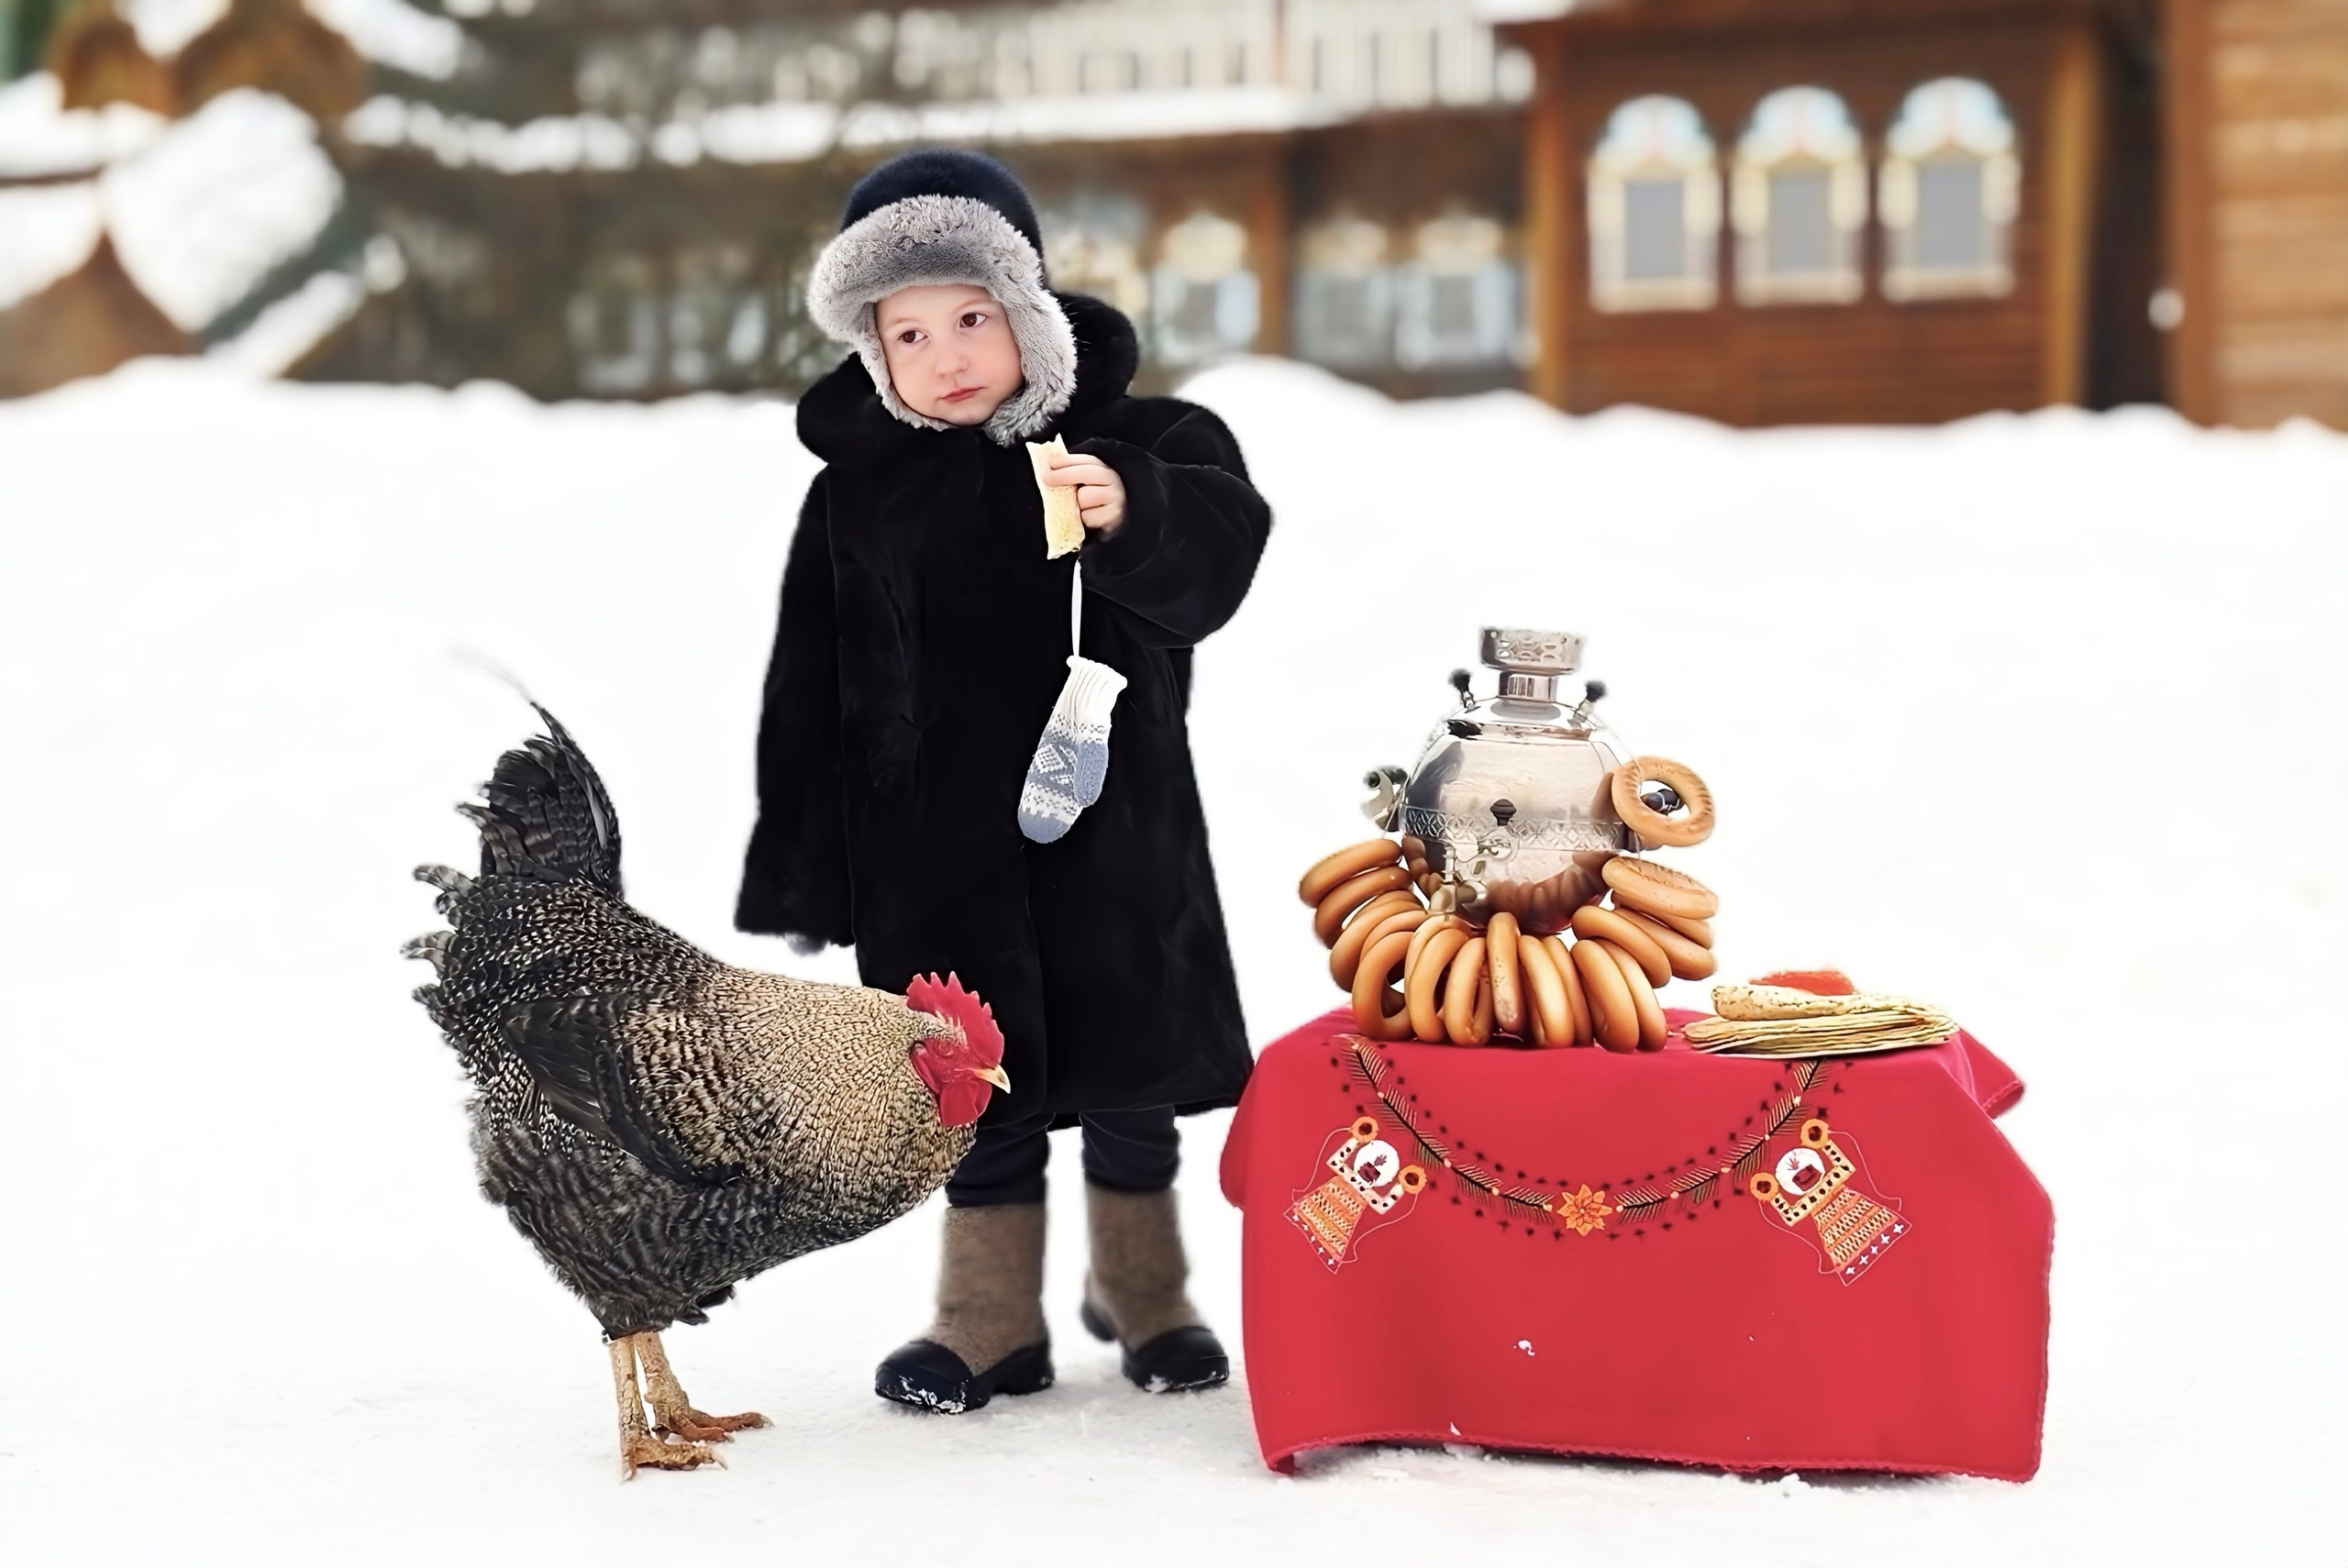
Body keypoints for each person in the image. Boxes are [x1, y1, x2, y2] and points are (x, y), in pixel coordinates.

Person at [736, 149, 1269, 1413]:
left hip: (1112, 830)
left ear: (1027, 309)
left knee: (1131, 1064)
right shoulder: (857, 498)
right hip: (933, 855)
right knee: (976, 1085)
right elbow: (806, 685)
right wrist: (812, 867)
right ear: (873, 351)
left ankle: (1145, 1287)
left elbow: (1221, 561)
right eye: (908, 331)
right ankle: (987, 1314)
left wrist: (1133, 509)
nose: (949, 353)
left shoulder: (1135, 440)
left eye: (973, 316)